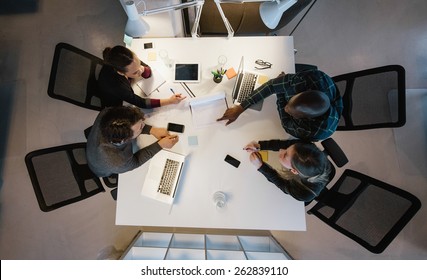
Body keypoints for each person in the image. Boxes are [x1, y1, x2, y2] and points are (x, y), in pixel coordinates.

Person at [217, 69, 343, 141]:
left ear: (305, 119)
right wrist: (240, 108)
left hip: (318, 127)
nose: (286, 109)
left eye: (291, 112)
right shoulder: (312, 78)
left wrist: (281, 95)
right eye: (291, 101)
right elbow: (271, 86)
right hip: (316, 85)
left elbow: (286, 124)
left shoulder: (313, 131)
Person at [86, 106, 179, 177]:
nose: (144, 123)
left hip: (94, 147)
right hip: (101, 168)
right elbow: (136, 161)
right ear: (125, 139)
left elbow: (132, 123)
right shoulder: (118, 162)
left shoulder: (107, 113)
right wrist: (160, 145)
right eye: (141, 127)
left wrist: (152, 130)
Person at [244, 139, 332, 202]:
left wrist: (261, 166)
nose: (281, 150)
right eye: (286, 150)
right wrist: (260, 146)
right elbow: (287, 144)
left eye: (285, 155)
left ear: (294, 171)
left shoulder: (305, 194)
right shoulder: (306, 147)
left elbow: (281, 184)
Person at [98, 45, 185, 108]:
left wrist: (142, 69)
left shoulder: (128, 59)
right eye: (135, 72)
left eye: (139, 64)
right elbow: (141, 103)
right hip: (117, 105)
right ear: (121, 73)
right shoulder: (116, 86)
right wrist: (170, 101)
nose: (139, 71)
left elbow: (148, 73)